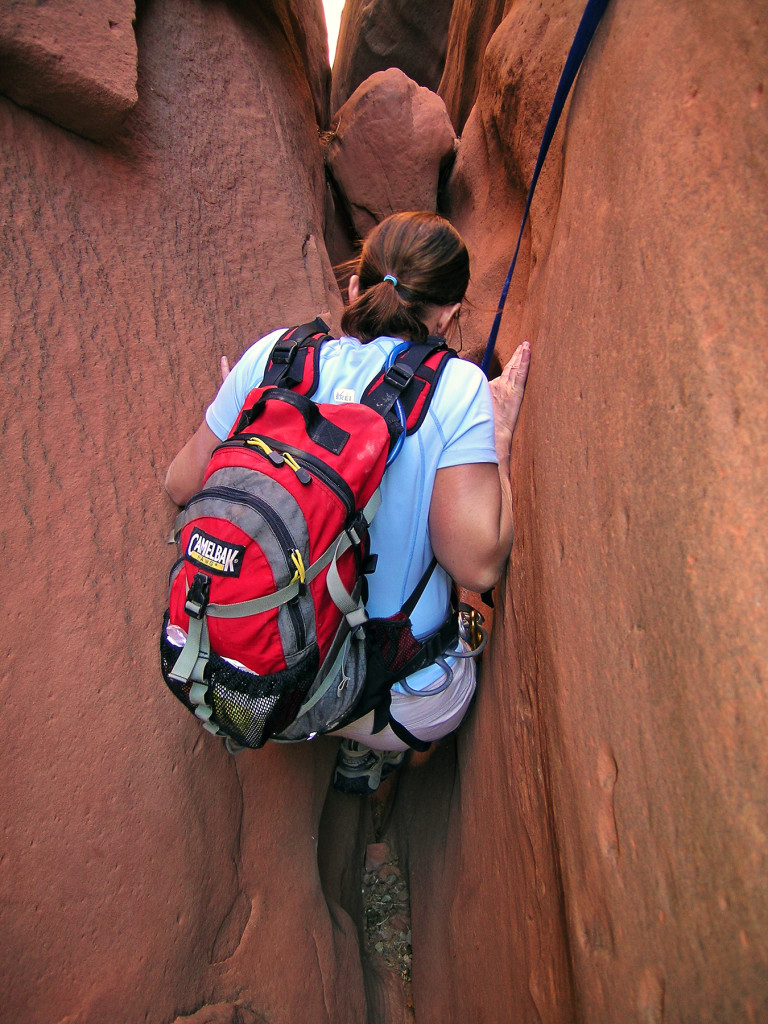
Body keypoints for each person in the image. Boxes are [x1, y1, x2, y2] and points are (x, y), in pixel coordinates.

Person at [165, 211, 529, 793]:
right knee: (449, 674)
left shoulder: (272, 359)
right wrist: (500, 439)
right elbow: (477, 564)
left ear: (354, 286)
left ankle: (328, 727)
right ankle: (368, 756)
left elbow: (180, 484)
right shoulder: (458, 389)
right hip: (396, 701)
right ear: (448, 312)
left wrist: (244, 425)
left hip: (256, 683)